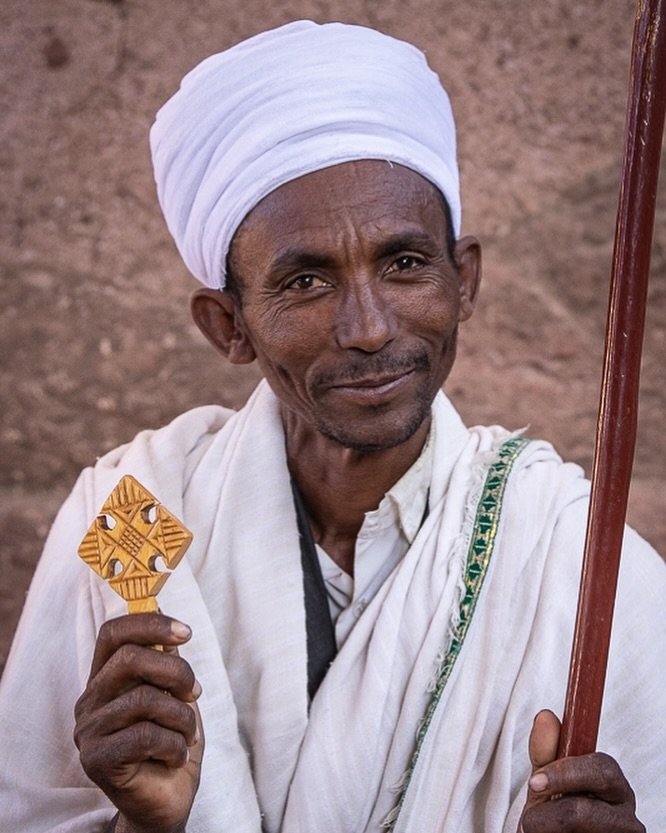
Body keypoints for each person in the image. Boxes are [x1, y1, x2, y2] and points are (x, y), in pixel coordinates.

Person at [0, 19, 663, 833]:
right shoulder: (132, 513)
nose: (370, 327)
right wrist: (142, 821)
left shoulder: (575, 554)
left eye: (405, 264)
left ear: (466, 281)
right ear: (227, 326)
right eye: (307, 280)